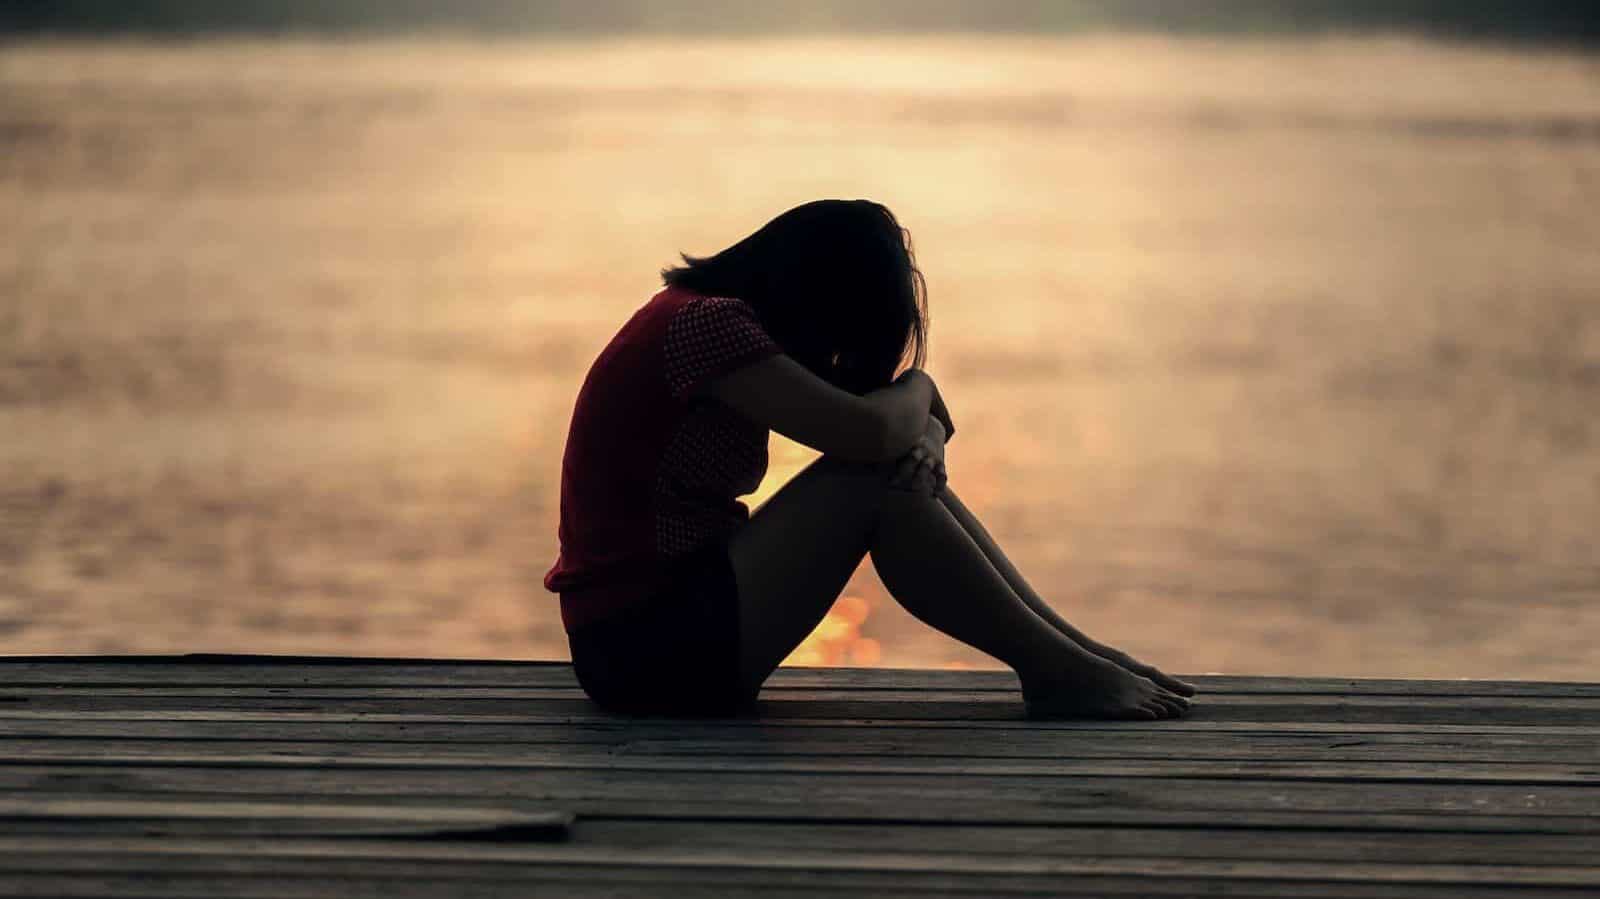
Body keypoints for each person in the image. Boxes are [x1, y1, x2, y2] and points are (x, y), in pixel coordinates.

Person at [545, 199, 1194, 719]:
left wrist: (927, 433)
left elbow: (892, 430)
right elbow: (871, 430)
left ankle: (1073, 655)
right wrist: (921, 388)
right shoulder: (706, 327)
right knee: (869, 481)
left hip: (659, 633)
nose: (835, 359)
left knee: (885, 472)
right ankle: (1060, 669)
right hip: (644, 647)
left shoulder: (701, 322)